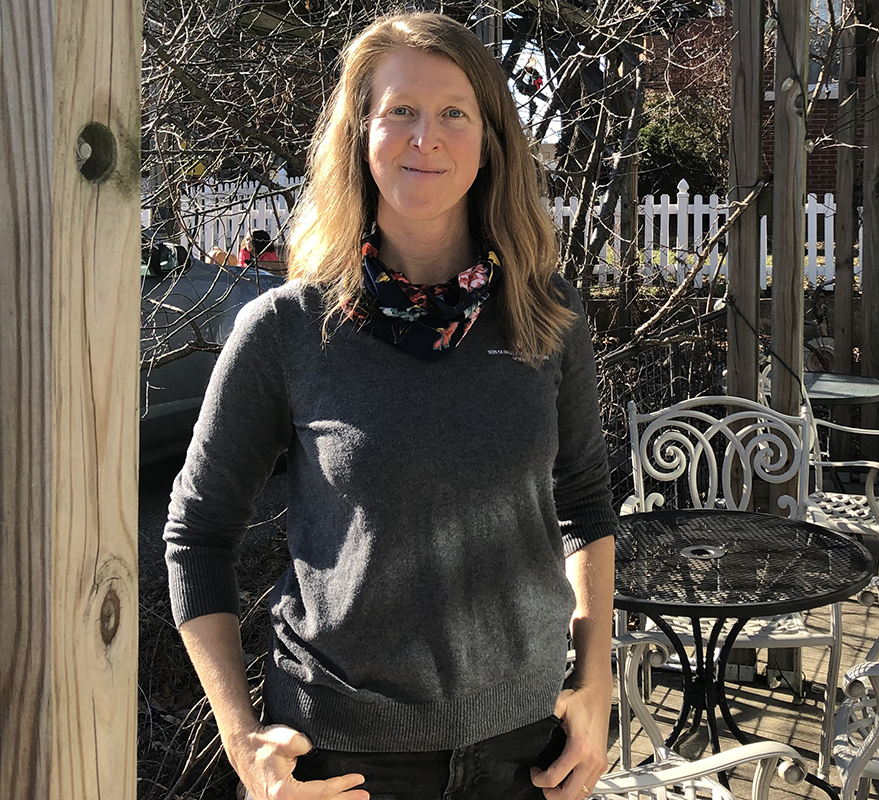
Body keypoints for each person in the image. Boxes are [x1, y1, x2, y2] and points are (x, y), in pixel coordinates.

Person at [164, 12, 616, 800]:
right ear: (360, 133)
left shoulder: (549, 317)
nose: (424, 137)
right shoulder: (288, 329)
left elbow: (582, 502)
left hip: (527, 757)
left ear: (490, 139)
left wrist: (597, 680)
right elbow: (196, 534)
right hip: (340, 759)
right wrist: (244, 744)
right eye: (399, 110)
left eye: (453, 113)